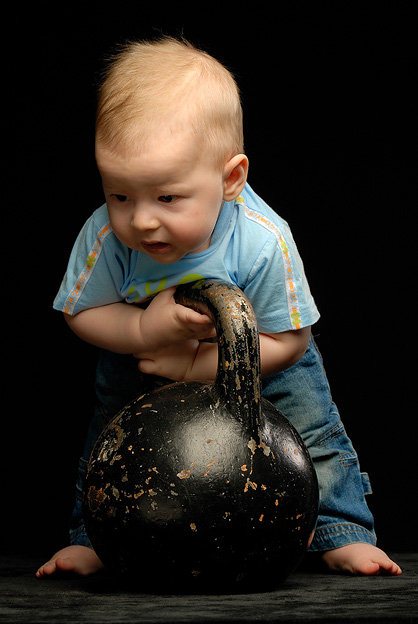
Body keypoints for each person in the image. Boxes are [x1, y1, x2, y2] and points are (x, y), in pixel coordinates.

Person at [37, 36, 401, 579]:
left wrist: (199, 366)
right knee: (110, 439)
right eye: (119, 196)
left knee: (314, 431)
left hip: (264, 354)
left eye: (167, 198)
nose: (141, 221)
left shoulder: (261, 240)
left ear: (231, 179)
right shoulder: (106, 238)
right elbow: (82, 312)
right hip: (143, 353)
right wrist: (143, 330)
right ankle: (94, 538)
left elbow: (291, 340)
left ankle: (340, 528)